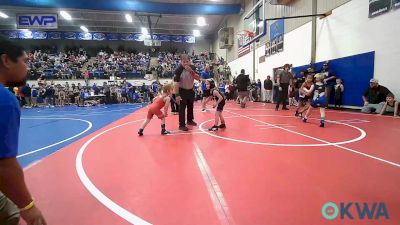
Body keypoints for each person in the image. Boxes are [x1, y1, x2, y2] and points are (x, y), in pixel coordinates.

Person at [0, 37, 47, 225]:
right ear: (6, 61)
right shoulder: (4, 100)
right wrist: (28, 208)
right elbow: (4, 164)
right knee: (10, 213)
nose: (27, 67)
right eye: (24, 61)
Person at [173, 54, 200, 131]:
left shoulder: (193, 67)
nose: (185, 63)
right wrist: (177, 95)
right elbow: (176, 83)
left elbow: (198, 78)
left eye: (187, 61)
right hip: (182, 91)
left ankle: (190, 120)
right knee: (182, 108)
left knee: (190, 106)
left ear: (190, 61)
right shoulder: (178, 70)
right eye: (183, 62)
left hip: (190, 90)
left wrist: (191, 71)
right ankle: (181, 125)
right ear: (181, 61)